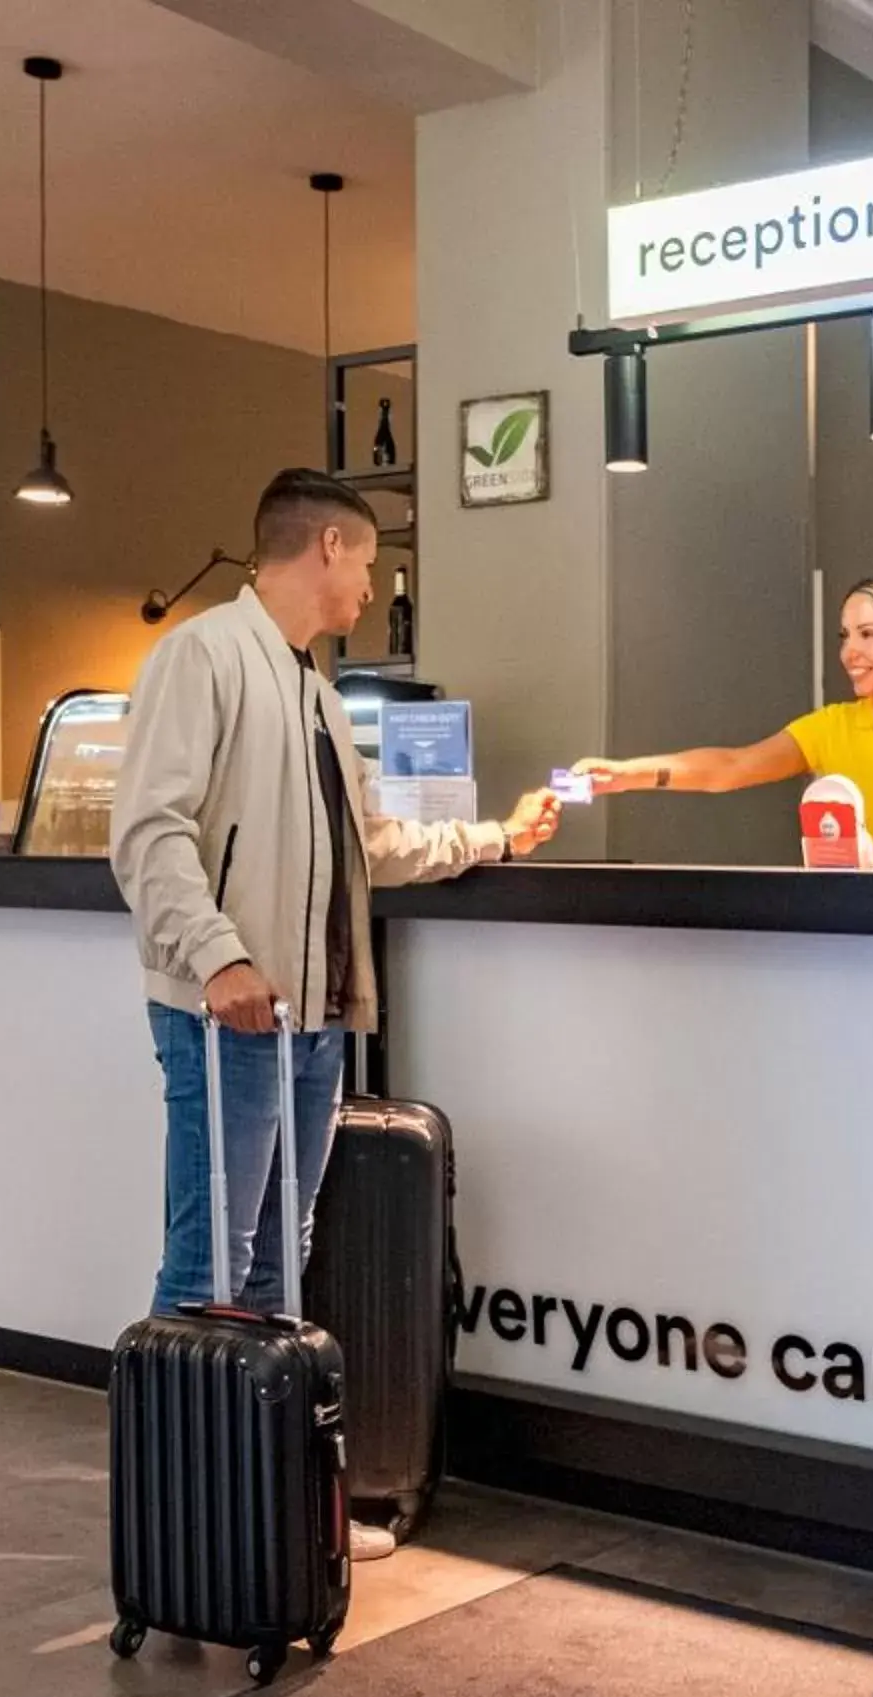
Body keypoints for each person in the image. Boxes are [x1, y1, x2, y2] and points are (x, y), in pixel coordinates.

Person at [108, 468, 559, 1557]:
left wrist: (492, 835)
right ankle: (191, 1512)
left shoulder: (310, 689)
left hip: (310, 1018)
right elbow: (149, 830)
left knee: (279, 1257)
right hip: (232, 1016)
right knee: (209, 1263)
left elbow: (371, 841)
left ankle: (268, 1498)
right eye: (368, 561)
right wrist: (218, 956)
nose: (373, 583)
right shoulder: (203, 656)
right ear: (323, 547)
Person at [568, 577, 873, 866]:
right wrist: (626, 774)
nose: (849, 652)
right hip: (859, 934)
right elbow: (731, 767)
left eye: (867, 634)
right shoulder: (831, 727)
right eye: (845, 636)